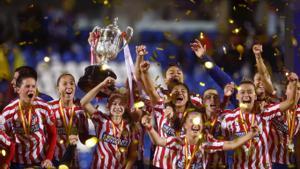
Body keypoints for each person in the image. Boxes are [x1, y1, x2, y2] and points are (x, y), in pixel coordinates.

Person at [141, 108, 258, 169]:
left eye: (199, 122)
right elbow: (158, 141)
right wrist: (149, 127)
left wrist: (251, 134)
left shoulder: (206, 144)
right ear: (185, 125)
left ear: (202, 126)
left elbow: (232, 144)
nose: (195, 124)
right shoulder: (178, 141)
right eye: (191, 121)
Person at [221, 78, 297, 169]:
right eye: (242, 92)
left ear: (255, 96)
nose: (246, 95)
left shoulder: (265, 112)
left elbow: (290, 102)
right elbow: (221, 142)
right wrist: (225, 97)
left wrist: (294, 83)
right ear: (237, 96)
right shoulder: (230, 117)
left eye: (249, 92)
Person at [0, 72, 57, 168]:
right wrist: (5, 163)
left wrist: (48, 158)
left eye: (33, 86)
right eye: (27, 86)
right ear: (18, 89)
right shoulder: (8, 112)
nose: (31, 89)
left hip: (40, 161)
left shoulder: (45, 107)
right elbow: (4, 141)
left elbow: (53, 134)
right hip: (17, 163)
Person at [80, 77, 138, 169]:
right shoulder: (101, 120)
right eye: (114, 104)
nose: (117, 107)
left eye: (121, 104)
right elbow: (83, 103)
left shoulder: (130, 126)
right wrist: (102, 84)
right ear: (108, 107)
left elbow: (132, 155)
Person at [48, 73, 84, 168]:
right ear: (58, 88)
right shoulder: (49, 108)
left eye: (71, 84)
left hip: (73, 160)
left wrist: (78, 137)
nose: (69, 86)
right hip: (52, 160)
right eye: (64, 84)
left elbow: (84, 137)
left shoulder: (80, 112)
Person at [268, 75, 300, 169]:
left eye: (298, 88)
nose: (295, 91)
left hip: (290, 162)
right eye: (291, 88)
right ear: (285, 91)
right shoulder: (276, 107)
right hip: (272, 161)